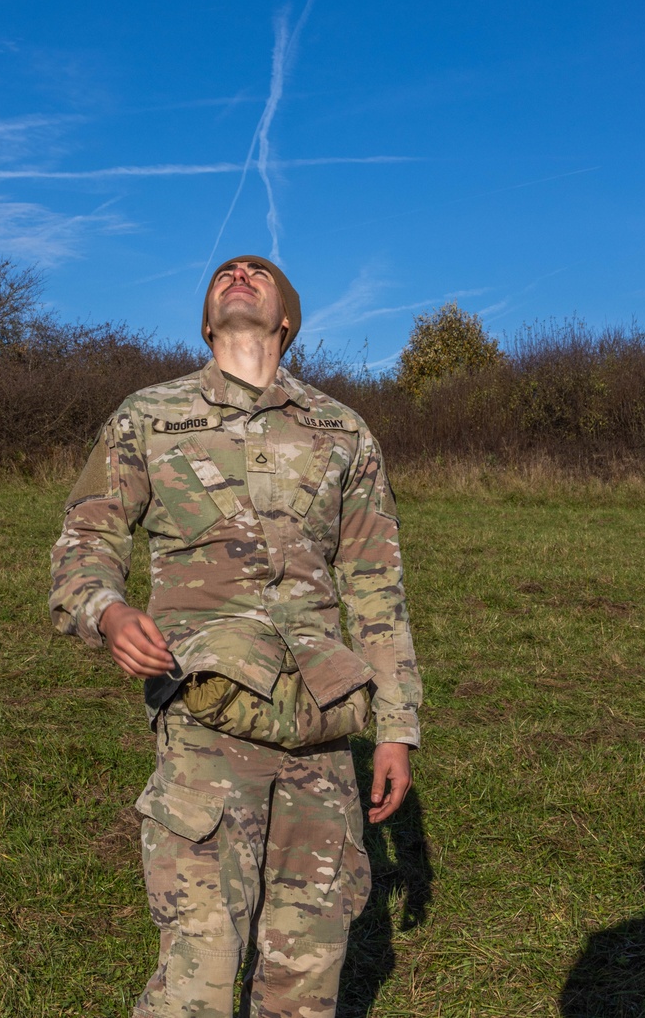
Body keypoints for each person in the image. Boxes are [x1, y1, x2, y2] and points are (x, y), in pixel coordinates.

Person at [50, 256, 422, 1018]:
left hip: (323, 730)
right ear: (206, 320)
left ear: (287, 316)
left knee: (307, 977)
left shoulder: (343, 430)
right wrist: (109, 614)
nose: (241, 272)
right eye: (226, 271)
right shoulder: (147, 417)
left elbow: (376, 585)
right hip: (206, 719)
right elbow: (85, 542)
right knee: (201, 972)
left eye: (260, 270)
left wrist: (397, 728)